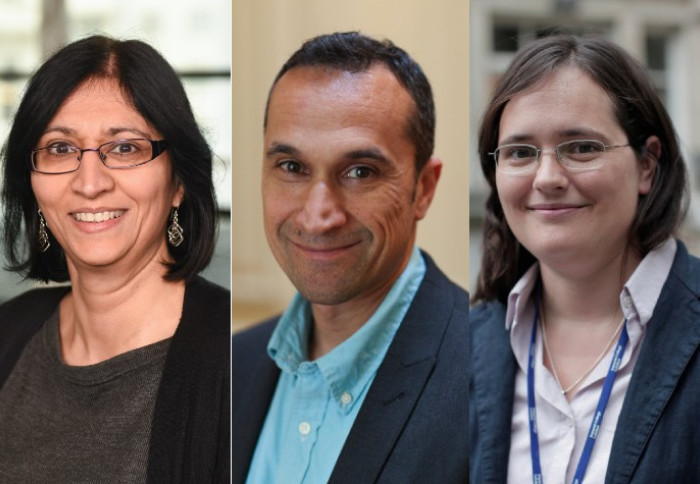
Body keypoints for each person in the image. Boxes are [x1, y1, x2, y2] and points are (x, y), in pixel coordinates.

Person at [231, 31, 468, 483]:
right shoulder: (231, 367)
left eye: (360, 172)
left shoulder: (487, 381)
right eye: (292, 168)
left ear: (424, 189)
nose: (318, 216)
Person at [470, 34, 700, 483]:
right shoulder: (465, 347)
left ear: (647, 166)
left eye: (581, 148)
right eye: (520, 153)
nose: (548, 178)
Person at [0, 35, 229, 482]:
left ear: (179, 179)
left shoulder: (231, 363)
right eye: (60, 149)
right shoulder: (7, 333)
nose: (90, 183)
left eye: (125, 148)